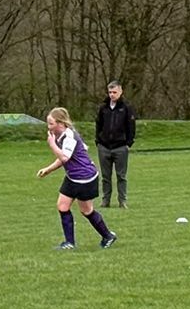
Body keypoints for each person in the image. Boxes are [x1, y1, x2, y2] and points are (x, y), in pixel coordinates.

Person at [38, 106, 118, 251]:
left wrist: (52, 144)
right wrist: (48, 170)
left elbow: (64, 158)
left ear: (61, 123)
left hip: (84, 178)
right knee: (62, 206)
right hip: (73, 177)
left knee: (86, 211)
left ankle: (108, 236)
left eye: (51, 123)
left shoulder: (69, 137)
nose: (48, 127)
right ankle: (69, 243)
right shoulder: (60, 136)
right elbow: (64, 158)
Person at [95, 81, 137, 209]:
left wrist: (128, 143)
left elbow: (131, 126)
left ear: (120, 92)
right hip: (104, 147)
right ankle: (105, 200)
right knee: (105, 177)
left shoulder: (126, 108)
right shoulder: (103, 108)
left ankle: (122, 201)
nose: (112, 95)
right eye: (110, 92)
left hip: (120, 147)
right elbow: (98, 124)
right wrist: (98, 141)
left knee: (121, 176)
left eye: (114, 92)